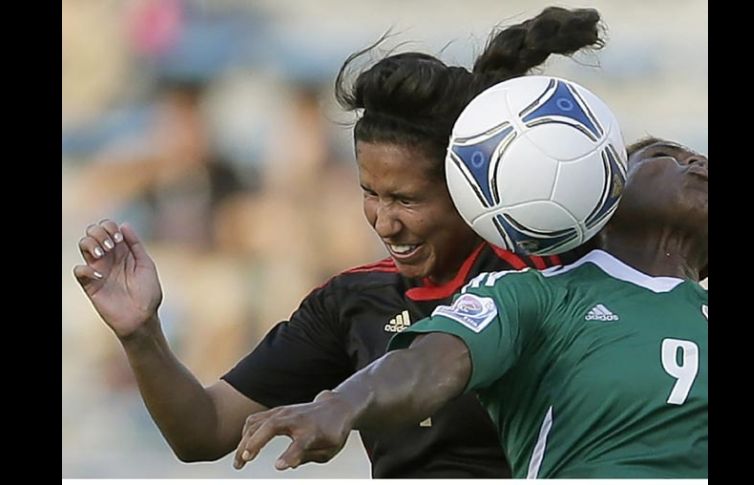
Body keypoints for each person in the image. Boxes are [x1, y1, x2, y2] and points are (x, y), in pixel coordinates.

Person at [73, 6, 605, 478]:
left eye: (407, 199)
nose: (383, 221)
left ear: (470, 188)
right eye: (369, 193)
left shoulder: (551, 279)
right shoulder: (351, 302)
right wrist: (142, 333)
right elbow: (203, 431)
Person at [231, 137, 709, 478]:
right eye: (669, 156)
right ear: (602, 194)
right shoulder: (538, 294)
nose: (698, 163)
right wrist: (342, 403)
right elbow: (429, 363)